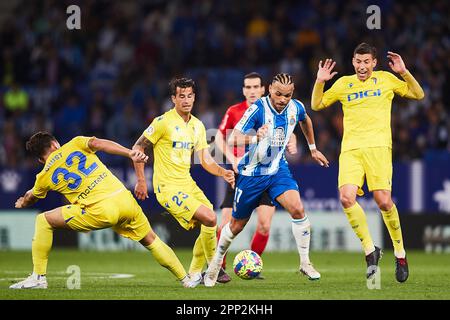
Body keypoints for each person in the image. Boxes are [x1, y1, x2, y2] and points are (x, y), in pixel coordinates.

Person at [10, 132, 196, 289]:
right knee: (151, 239)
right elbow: (99, 143)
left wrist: (23, 202)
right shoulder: (75, 143)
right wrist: (130, 153)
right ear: (54, 143)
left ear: (41, 159)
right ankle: (186, 280)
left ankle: (39, 277)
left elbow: (32, 195)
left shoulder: (43, 176)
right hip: (124, 199)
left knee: (43, 220)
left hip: (100, 211)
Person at [311, 43, 425, 282]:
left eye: (366, 62)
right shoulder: (343, 84)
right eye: (358, 62)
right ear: (353, 62)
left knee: (383, 201)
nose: (362, 66)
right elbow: (317, 105)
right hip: (351, 150)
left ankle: (400, 254)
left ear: (374, 63)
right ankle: (370, 249)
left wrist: (403, 72)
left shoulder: (385, 79)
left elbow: (418, 94)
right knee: (346, 197)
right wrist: (320, 81)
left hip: (379, 148)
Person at [204, 73, 329, 287]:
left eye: (287, 95)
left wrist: (313, 148)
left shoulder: (295, 106)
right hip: (251, 174)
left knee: (297, 209)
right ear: (270, 89)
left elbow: (305, 119)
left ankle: (305, 262)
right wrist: (255, 137)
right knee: (235, 225)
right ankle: (216, 263)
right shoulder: (258, 109)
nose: (282, 99)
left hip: (277, 170)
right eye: (278, 94)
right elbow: (233, 137)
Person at [132, 77, 235, 287]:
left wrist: (222, 172)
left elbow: (205, 159)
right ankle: (214, 267)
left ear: (194, 97)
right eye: (181, 96)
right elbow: (138, 147)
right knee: (209, 217)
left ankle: (195, 273)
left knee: (209, 221)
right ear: (173, 99)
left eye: (190, 96)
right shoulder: (162, 122)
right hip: (167, 188)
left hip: (187, 184)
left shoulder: (197, 125)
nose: (186, 100)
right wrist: (141, 180)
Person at [215, 72, 298, 280]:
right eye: (248, 87)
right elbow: (219, 137)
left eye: (255, 87)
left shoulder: (275, 108)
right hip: (240, 173)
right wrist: (231, 159)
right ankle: (219, 268)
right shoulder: (234, 111)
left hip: (266, 173)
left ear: (264, 89)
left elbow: (288, 128)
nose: (252, 91)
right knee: (226, 222)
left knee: (264, 224)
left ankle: (252, 264)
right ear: (243, 90)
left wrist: (293, 139)